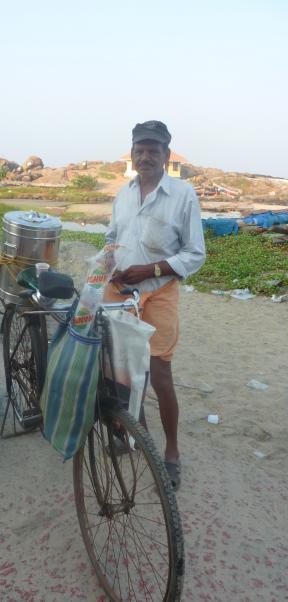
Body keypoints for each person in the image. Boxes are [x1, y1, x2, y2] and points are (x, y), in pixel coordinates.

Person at [105, 120, 206, 490]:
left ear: (166, 154)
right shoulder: (123, 194)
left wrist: (151, 269)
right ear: (132, 152)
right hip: (121, 290)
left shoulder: (183, 195)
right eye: (140, 149)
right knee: (121, 371)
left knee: (159, 375)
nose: (145, 155)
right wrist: (110, 265)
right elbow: (111, 238)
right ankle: (136, 437)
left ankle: (172, 452)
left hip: (159, 291)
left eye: (153, 149)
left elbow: (195, 255)